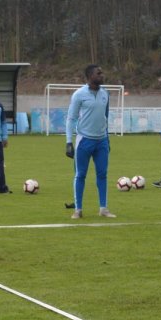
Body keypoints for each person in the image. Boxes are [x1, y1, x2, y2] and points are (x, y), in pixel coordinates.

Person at [65, 64, 114, 218]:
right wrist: (68, 142)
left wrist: (107, 139)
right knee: (80, 175)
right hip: (84, 141)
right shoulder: (79, 94)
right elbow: (71, 118)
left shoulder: (105, 94)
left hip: (102, 141)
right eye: (98, 73)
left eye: (102, 72)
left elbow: (105, 118)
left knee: (102, 175)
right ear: (90, 76)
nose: (102, 75)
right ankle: (78, 210)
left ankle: (103, 209)